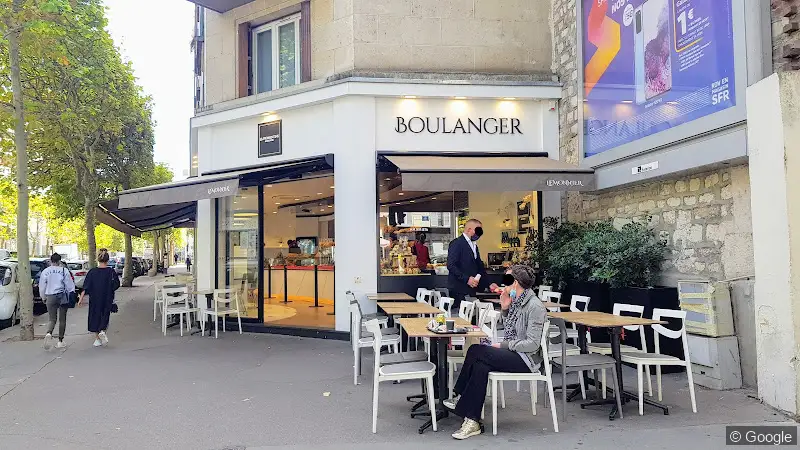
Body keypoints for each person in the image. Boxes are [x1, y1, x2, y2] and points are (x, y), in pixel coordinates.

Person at [444, 265, 546, 440]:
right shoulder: (517, 301)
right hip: (516, 354)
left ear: (515, 283)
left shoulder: (534, 306)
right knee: (480, 366)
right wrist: (505, 309)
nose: (503, 284)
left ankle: (459, 396)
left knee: (477, 351)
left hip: (527, 360)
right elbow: (510, 330)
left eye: (506, 280)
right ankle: (472, 420)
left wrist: (504, 346)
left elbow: (533, 344)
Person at [79, 249, 120, 347]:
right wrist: (110, 289)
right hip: (107, 297)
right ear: (108, 260)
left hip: (95, 298)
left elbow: (86, 286)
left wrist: (80, 299)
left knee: (95, 316)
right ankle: (103, 330)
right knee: (105, 315)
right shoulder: (111, 271)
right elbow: (117, 284)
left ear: (98, 259)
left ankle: (97, 338)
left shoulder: (92, 272)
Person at [447, 219, 487, 310]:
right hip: (458, 289)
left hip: (471, 289)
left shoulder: (474, 245)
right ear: (469, 230)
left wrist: (488, 283)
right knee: (462, 319)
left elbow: (479, 265)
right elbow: (451, 265)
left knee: (472, 318)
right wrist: (467, 279)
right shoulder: (456, 243)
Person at [39, 253, 76, 350]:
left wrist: (43, 297)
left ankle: (49, 333)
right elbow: (70, 286)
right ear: (59, 261)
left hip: (50, 296)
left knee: (52, 319)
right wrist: (72, 295)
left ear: (51, 261)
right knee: (62, 319)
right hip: (62, 296)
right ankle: (60, 341)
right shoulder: (64, 270)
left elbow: (42, 286)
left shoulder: (45, 271)